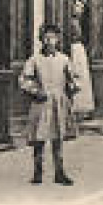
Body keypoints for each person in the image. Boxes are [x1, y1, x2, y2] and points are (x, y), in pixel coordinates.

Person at [20, 24, 78, 185]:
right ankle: (37, 172)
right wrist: (35, 91)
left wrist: (72, 87)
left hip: (58, 102)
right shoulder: (34, 60)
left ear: (58, 40)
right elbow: (24, 80)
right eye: (46, 38)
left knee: (57, 137)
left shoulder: (64, 59)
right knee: (39, 138)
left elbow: (73, 78)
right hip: (41, 102)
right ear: (41, 40)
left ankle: (59, 173)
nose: (49, 41)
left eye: (52, 37)